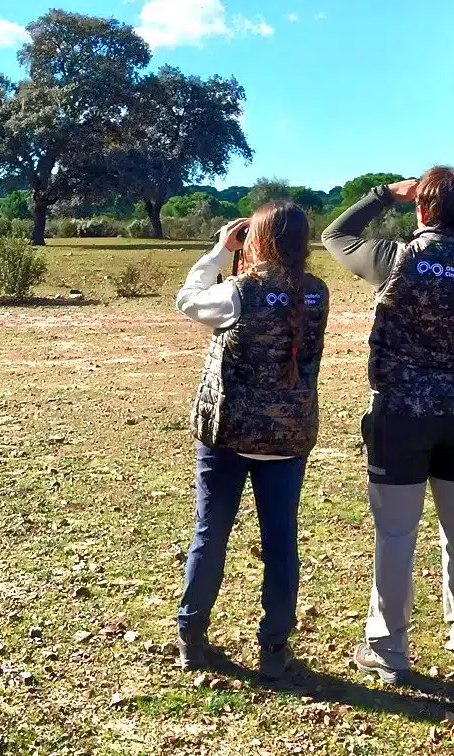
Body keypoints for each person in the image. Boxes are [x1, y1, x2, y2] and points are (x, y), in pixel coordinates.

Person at [322, 167, 454, 685]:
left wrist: (382, 193)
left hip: (400, 419)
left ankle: (389, 651)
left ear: (420, 208)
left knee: (395, 533)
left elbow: (336, 236)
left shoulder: (396, 260)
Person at [174, 201, 330, 681]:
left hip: (227, 435)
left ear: (257, 240)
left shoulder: (239, 292)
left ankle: (191, 637)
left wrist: (221, 251)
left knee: (211, 534)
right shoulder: (317, 292)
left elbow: (188, 299)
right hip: (288, 436)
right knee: (281, 543)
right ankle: (274, 647)